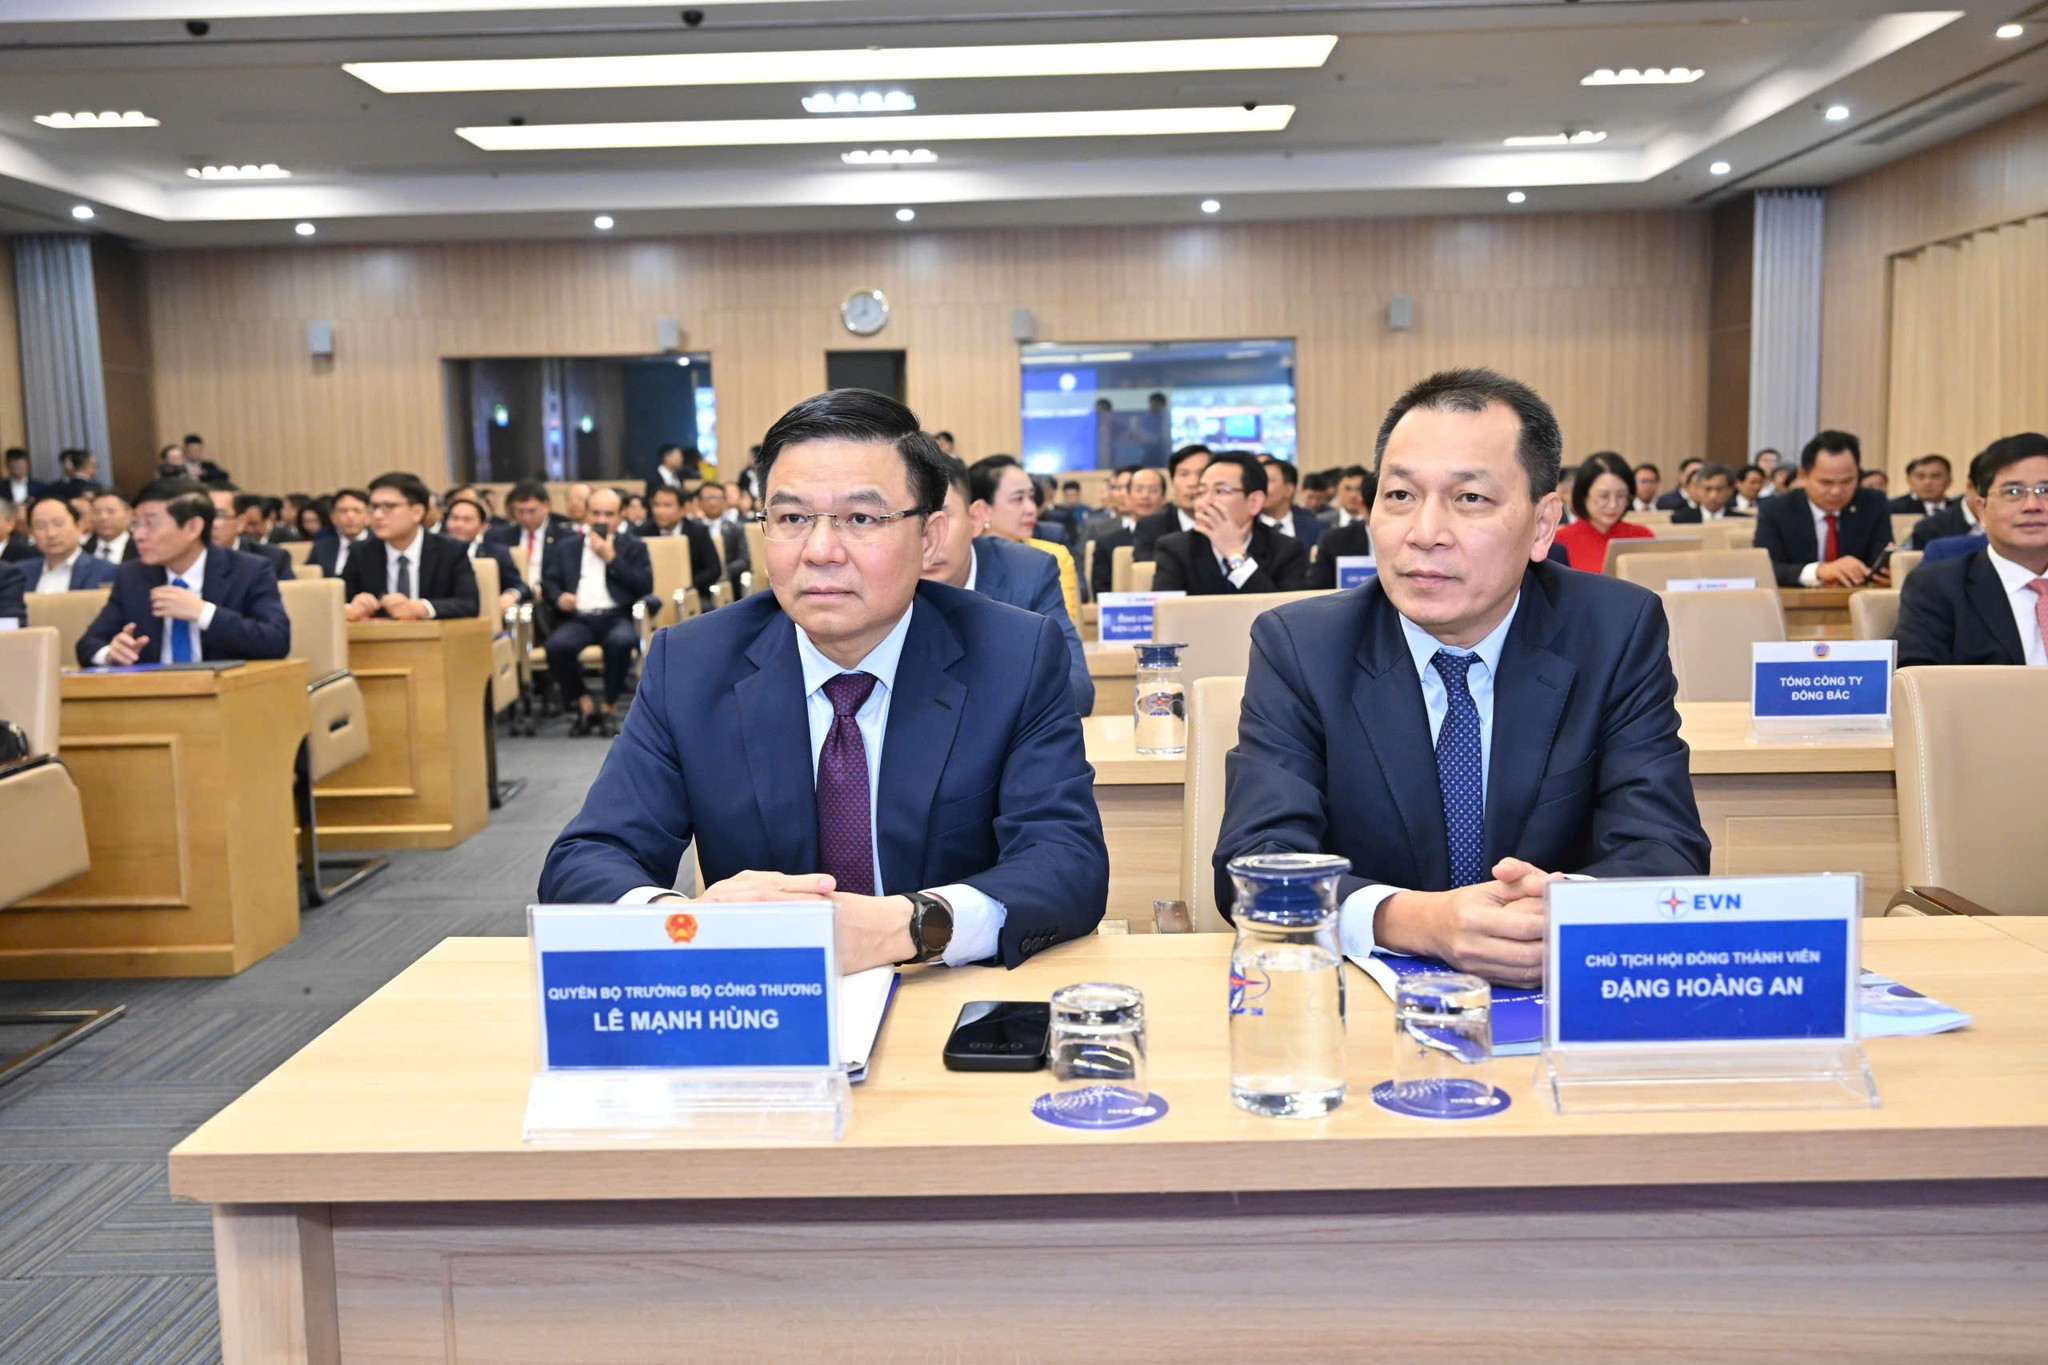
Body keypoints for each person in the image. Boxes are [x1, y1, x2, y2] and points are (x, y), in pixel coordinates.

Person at [538, 388, 1108, 972]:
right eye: (792, 518)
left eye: (860, 518)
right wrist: (685, 925)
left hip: (945, 992)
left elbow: (1067, 861)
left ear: (930, 536)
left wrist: (907, 926)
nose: (820, 550)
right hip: (762, 997)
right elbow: (586, 860)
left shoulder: (1013, 655)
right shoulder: (690, 664)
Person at [1213, 368, 1709, 987]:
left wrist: (1563, 913)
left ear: (1542, 525)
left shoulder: (1614, 631)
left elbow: (1665, 849)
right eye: (1400, 496)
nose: (1424, 534)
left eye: (1470, 499)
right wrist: (1417, 920)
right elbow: (1256, 866)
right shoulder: (1302, 647)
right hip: (1363, 1006)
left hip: (1559, 994)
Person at [922, 456, 1093, 715]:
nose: (927, 542)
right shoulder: (879, 582)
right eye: (912, 521)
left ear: (976, 519)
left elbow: (1076, 690)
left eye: (940, 519)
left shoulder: (1028, 573)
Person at [77, 477, 292, 666]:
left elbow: (276, 640)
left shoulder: (249, 570)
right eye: (136, 524)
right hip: (154, 693)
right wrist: (110, 653)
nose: (139, 535)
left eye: (150, 524)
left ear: (192, 528)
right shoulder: (132, 575)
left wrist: (203, 613)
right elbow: (88, 643)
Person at [1894, 433, 2048, 668]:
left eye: (2045, 490)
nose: (2032, 506)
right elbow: (1917, 679)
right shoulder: (1937, 588)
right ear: (1982, 510)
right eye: (2013, 492)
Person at [543, 486, 651, 736]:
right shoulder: (567, 546)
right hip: (579, 617)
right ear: (587, 513)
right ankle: (584, 703)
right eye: (596, 513)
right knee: (556, 647)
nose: (601, 520)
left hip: (616, 615)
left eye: (609, 514)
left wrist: (612, 559)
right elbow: (549, 581)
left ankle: (608, 706)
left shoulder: (633, 546)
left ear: (621, 515)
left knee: (621, 642)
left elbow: (644, 585)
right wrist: (559, 597)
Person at [1150, 451, 1310, 595]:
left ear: (1254, 502)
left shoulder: (1286, 550)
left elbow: (1283, 614)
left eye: (1221, 491)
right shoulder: (1175, 549)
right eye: (1201, 492)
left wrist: (1235, 555)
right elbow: (1168, 614)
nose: (1205, 502)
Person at [1754, 430, 1892, 588]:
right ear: (1803, 476)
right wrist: (1818, 571)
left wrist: (1886, 574)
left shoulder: (1873, 503)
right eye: (1826, 483)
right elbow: (1767, 568)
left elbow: (1880, 558)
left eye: (1847, 481)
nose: (1836, 491)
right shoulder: (1776, 509)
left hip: (1857, 596)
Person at [341, 472, 478, 622]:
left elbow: (469, 604)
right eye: (374, 507)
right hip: (379, 635)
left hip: (433, 635)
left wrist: (420, 608)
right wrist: (351, 607)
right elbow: (339, 603)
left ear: (417, 512)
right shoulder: (360, 552)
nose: (378, 515)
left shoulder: (450, 550)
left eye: (389, 506)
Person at [967, 455, 1082, 627]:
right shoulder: (961, 559)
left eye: (1032, 497)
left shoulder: (1052, 556)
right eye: (1018, 498)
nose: (1031, 509)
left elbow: (1060, 631)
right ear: (983, 510)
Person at [1553, 452, 1655, 571]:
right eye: (1603, 496)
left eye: (1621, 495)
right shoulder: (1559, 542)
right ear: (1584, 496)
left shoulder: (1642, 537)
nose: (1613, 504)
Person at [441, 494, 529, 614]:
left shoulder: (496, 553)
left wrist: (511, 595)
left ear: (482, 526)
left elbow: (521, 587)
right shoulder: (434, 551)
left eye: (467, 520)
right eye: (454, 518)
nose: (459, 525)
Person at [636, 485, 722, 602]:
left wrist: (686, 584)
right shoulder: (642, 532)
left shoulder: (698, 532)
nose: (660, 511)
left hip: (691, 593)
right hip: (652, 595)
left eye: (667, 505)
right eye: (656, 505)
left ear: (682, 509)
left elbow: (714, 569)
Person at [21, 495, 119, 592]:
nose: (51, 533)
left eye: (59, 524)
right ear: (31, 533)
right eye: (41, 526)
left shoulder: (106, 572)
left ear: (79, 526)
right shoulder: (20, 573)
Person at [1090, 466, 1164, 596]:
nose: (1145, 496)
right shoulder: (1107, 544)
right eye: (1139, 490)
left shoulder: (1176, 540)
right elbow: (1102, 593)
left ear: (1163, 498)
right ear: (1128, 496)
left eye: (1153, 490)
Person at [1131, 444, 1209, 560]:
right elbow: (1148, 569)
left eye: (1201, 474)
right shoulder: (1151, 527)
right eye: (1184, 474)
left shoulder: (1230, 524)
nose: (1192, 483)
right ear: (1172, 481)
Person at [1305, 470, 1376, 591]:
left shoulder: (1409, 540)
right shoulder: (1333, 541)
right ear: (1363, 507)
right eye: (1348, 489)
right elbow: (1316, 590)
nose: (1353, 495)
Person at [211, 488, 295, 580]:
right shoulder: (199, 558)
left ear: (240, 522)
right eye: (204, 516)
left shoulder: (273, 559)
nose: (210, 524)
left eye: (219, 516)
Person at [696, 481, 752, 597]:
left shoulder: (735, 528)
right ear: (699, 502)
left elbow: (744, 560)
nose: (712, 502)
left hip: (729, 583)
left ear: (725, 501)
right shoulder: (693, 529)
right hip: (699, 586)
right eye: (707, 498)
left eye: (717, 498)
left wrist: (723, 571)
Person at [1258, 456, 1325, 547]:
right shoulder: (1247, 529)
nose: (1261, 487)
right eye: (1259, 481)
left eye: (1268, 481)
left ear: (1288, 490)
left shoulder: (1317, 529)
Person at [309, 488, 373, 579]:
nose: (350, 516)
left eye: (357, 511)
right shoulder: (321, 547)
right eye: (343, 511)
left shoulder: (380, 545)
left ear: (368, 516)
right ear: (333, 517)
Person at [1670, 462, 1748, 522]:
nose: (1713, 495)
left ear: (1730, 490)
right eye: (1707, 489)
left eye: (1719, 489)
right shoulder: (1679, 519)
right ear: (1698, 489)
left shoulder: (1742, 520)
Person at [1890, 454, 1958, 518]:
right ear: (1909, 480)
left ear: (1949, 481)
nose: (1927, 482)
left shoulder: (1959, 508)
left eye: (1935, 476)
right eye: (1920, 477)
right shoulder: (1892, 509)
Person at [83, 491, 138, 563]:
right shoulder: (82, 548)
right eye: (97, 512)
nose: (103, 517)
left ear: (129, 514)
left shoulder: (140, 549)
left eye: (111, 511)